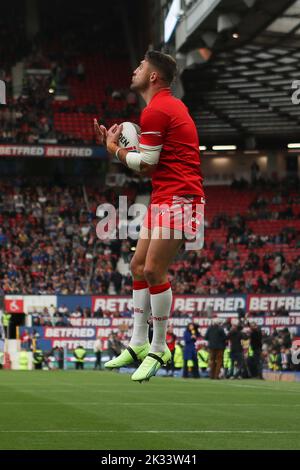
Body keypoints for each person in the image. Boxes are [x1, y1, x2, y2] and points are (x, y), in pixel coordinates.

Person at [95, 50, 205, 382]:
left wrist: (115, 150)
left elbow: (147, 164)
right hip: (164, 195)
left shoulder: (158, 110)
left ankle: (159, 346)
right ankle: (138, 341)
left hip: (181, 197)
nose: (135, 69)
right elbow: (151, 168)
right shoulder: (162, 108)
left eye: (141, 66)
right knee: (137, 267)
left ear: (153, 76)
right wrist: (118, 150)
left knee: (155, 269)